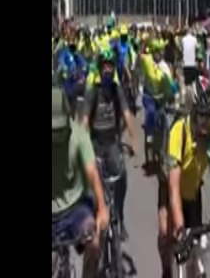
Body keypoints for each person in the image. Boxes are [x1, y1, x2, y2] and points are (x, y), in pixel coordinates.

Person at [164, 88, 210, 278]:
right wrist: (180, 228)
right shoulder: (179, 132)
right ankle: (166, 271)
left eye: (209, 116)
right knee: (166, 234)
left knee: (195, 250)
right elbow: (173, 188)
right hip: (173, 192)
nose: (205, 122)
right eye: (201, 116)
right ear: (194, 113)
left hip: (193, 192)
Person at [81, 48, 138, 241]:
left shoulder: (117, 89)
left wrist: (134, 139)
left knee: (121, 178)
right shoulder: (92, 91)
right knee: (91, 188)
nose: (108, 70)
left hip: (112, 144)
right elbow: (83, 122)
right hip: (95, 145)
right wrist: (82, 147)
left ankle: (120, 219)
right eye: (104, 66)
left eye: (110, 66)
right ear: (99, 68)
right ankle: (93, 221)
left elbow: (127, 114)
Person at [52, 103, 109, 278]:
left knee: (93, 239)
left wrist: (102, 208)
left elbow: (92, 171)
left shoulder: (78, 134)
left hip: (76, 207)